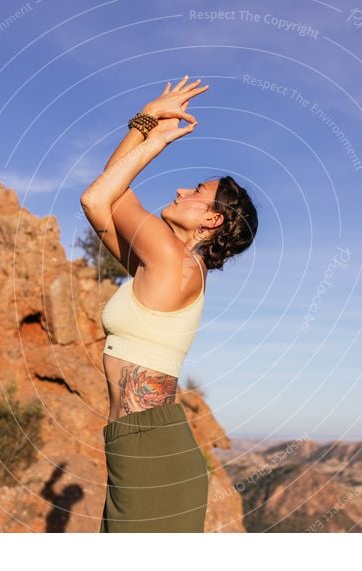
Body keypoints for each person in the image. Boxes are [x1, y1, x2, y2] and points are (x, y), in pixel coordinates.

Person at [80, 74, 259, 532]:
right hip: (138, 445)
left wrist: (151, 134)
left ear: (212, 218)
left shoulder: (173, 260)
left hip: (151, 451)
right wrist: (145, 123)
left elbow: (100, 193)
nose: (181, 191)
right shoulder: (160, 264)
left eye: (196, 191)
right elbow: (103, 203)